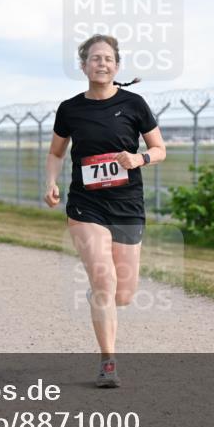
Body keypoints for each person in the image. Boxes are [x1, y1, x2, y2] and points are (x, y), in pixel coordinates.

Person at [43, 34, 166, 388]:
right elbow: (56, 152)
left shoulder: (134, 104)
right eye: (94, 58)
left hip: (127, 204)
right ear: (83, 66)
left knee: (123, 294)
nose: (101, 63)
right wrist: (50, 182)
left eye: (108, 58)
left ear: (117, 65)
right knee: (104, 280)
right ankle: (108, 361)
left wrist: (138, 158)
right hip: (86, 204)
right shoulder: (70, 109)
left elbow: (159, 149)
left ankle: (101, 297)